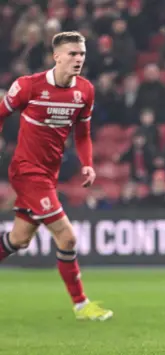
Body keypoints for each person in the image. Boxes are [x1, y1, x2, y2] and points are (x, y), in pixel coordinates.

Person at [0, 31, 113, 320]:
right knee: (67, 237)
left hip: (49, 174)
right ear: (57, 56)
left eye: (82, 54)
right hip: (27, 172)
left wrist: (88, 164)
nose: (78, 59)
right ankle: (81, 305)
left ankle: (80, 305)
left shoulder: (85, 91)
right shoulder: (29, 86)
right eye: (73, 53)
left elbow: (83, 133)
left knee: (19, 238)